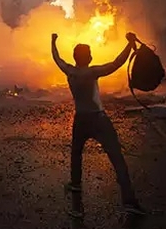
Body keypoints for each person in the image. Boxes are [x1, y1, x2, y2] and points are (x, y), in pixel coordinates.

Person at [51, 31, 146, 217]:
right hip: (98, 119)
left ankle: (76, 184)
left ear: (75, 58)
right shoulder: (93, 71)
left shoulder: (69, 71)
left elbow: (56, 58)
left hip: (80, 119)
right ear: (90, 57)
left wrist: (53, 41)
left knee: (76, 153)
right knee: (117, 158)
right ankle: (129, 201)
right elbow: (116, 63)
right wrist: (129, 44)